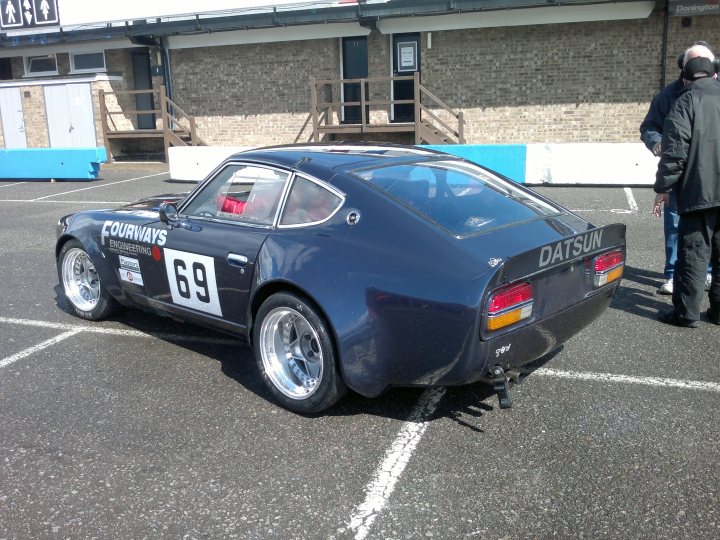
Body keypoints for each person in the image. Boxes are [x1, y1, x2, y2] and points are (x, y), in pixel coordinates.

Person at [654, 44, 720, 327]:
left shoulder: (684, 100)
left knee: (693, 255)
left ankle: (686, 314)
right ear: (714, 75)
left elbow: (674, 152)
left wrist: (663, 188)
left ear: (685, 77)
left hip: (698, 193)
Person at [641, 42, 713, 296]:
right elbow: (649, 127)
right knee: (674, 224)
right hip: (679, 174)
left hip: (712, 175)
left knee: (711, 230)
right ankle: (673, 274)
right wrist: (658, 143)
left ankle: (707, 272)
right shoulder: (667, 96)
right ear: (683, 68)